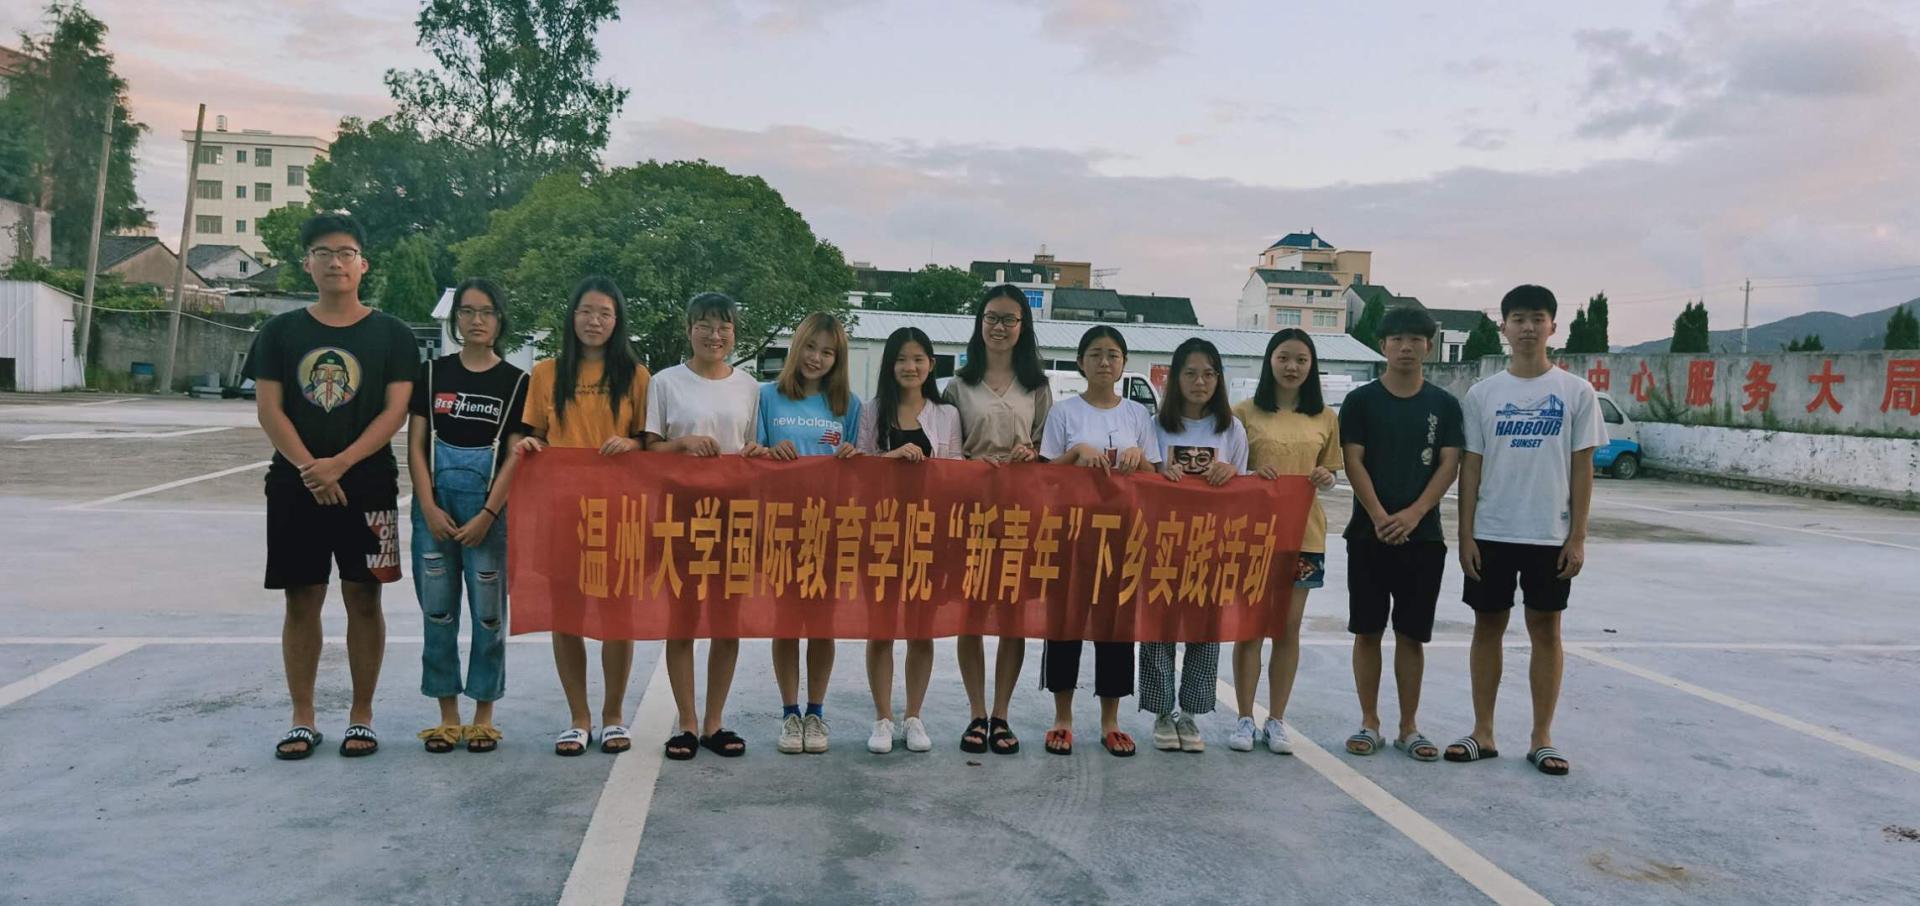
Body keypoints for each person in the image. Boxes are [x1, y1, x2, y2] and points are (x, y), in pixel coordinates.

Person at [248, 213, 416, 760]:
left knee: (365, 596)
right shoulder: (280, 333)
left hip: (369, 485)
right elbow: (269, 410)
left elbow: (394, 413)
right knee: (302, 598)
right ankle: (302, 718)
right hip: (294, 485)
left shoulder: (392, 335)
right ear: (307, 263)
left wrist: (339, 464)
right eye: (323, 253)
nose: (335, 262)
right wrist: (310, 468)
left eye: (346, 253)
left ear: (363, 264)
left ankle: (361, 716)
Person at [1447, 285, 1604, 777]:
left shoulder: (1576, 392)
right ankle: (1483, 732)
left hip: (1549, 534)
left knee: (1546, 630)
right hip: (1492, 530)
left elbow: (1582, 469)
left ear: (1553, 326)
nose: (1528, 328)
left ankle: (1542, 738)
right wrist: (1465, 535)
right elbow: (1470, 467)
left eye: (1538, 318)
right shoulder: (1483, 394)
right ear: (1504, 327)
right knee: (1487, 627)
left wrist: (1577, 536)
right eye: (1518, 319)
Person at [514, 276, 652, 757]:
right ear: (572, 317)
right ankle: (578, 718)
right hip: (561, 510)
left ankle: (613, 716)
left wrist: (630, 443)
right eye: (587, 312)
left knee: (618, 615)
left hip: (618, 513)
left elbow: (650, 442)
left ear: (618, 321)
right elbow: (531, 435)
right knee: (566, 614)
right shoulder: (546, 373)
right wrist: (529, 445)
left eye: (605, 313)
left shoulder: (636, 376)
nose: (595, 321)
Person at [407, 278, 530, 755]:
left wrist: (488, 514)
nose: (477, 320)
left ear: (500, 320)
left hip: (489, 516)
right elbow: (416, 447)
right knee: (438, 613)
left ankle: (483, 715)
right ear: (456, 318)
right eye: (467, 311)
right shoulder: (432, 375)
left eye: (487, 312)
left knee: (489, 617)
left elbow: (515, 456)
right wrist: (428, 506)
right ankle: (447, 716)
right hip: (434, 511)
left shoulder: (517, 383)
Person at [1337, 307, 1463, 762]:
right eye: (1397, 339)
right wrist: (1378, 515)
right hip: (1367, 535)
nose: (1406, 347)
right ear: (1383, 346)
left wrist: (1414, 513)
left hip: (1423, 538)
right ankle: (1369, 722)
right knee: (1367, 631)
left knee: (1411, 635)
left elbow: (1449, 463)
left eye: (1415, 339)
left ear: (1429, 346)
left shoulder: (1444, 405)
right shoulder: (1360, 402)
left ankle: (1409, 726)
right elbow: (1353, 460)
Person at [644, 291, 762, 760]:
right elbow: (649, 449)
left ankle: (715, 721)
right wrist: (683, 444)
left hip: (734, 515)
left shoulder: (749, 387)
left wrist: (754, 455)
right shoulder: (665, 383)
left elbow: (753, 450)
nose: (715, 335)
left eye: (724, 327)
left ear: (734, 333)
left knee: (727, 621)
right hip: (680, 513)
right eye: (705, 326)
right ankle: (687, 722)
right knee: (683, 619)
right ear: (689, 329)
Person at [1039, 325, 1161, 758]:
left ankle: (1111, 721)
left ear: (1124, 363)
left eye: (1113, 354)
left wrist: (1139, 459)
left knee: (1116, 628)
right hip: (1072, 533)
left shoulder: (1138, 415)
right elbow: (1044, 476)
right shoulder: (1064, 413)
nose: (1104, 362)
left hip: (1123, 536)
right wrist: (1075, 455)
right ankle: (1063, 717)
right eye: (1095, 354)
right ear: (1080, 362)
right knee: (1066, 624)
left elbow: (1156, 478)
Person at [941, 284, 1051, 756]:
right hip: (970, 513)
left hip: (1021, 513)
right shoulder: (957, 386)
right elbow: (946, 451)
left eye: (1009, 319)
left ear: (1023, 327)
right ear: (979, 323)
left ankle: (1002, 713)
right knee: (970, 613)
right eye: (991, 317)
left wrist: (1033, 455)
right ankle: (976, 712)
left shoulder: (1037, 386)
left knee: (1012, 615)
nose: (999, 327)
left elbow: (1049, 448)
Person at [751, 312, 863, 754]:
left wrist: (853, 456)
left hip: (829, 529)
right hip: (780, 526)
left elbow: (863, 470)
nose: (817, 358)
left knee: (821, 624)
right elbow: (748, 455)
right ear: (797, 347)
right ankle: (789, 713)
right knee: (786, 622)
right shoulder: (767, 397)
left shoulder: (848, 405)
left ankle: (816, 712)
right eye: (811, 348)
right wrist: (767, 451)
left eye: (828, 352)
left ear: (838, 359)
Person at [1229, 328, 1342, 755]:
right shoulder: (1243, 413)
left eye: (1301, 360)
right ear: (1269, 361)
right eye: (1283, 358)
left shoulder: (1325, 417)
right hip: (1253, 536)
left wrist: (1327, 476)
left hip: (1304, 535)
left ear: (1312, 366)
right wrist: (1251, 476)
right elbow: (1229, 470)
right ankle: (1244, 717)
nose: (1292, 367)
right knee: (1250, 627)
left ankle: (1276, 719)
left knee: (1287, 628)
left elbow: (1332, 472)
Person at [855, 326, 962, 755]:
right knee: (881, 629)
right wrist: (891, 458)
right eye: (901, 359)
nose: (910, 367)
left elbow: (957, 472)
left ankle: (914, 716)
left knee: (921, 630)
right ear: (890, 365)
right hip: (881, 534)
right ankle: (883, 718)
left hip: (929, 536)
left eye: (918, 359)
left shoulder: (947, 414)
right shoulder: (871, 411)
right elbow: (859, 471)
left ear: (931, 365)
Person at [1144, 338, 1248, 754]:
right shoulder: (1156, 425)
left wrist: (1230, 472)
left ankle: (1189, 714)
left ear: (1218, 379)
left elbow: (1245, 488)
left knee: (1204, 631)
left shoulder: (1231, 429)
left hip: (1212, 544)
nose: (1199, 382)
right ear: (1175, 378)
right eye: (1190, 373)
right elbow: (1141, 480)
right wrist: (1158, 474)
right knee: (1158, 630)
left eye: (1208, 374)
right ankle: (1161, 712)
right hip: (1162, 543)